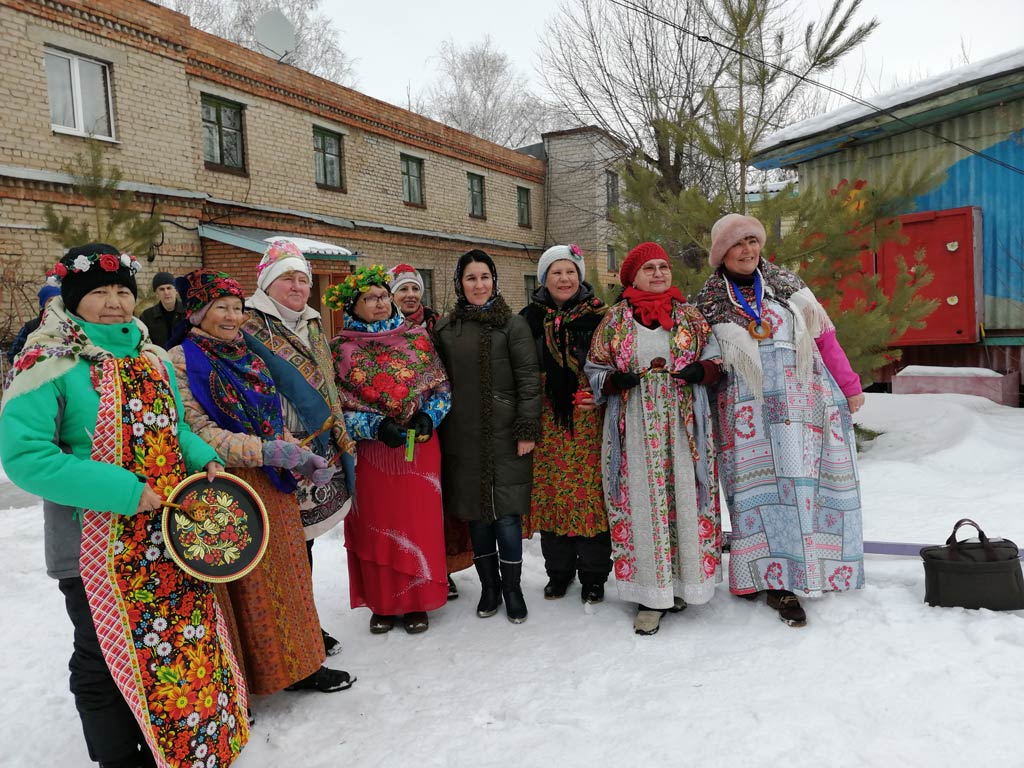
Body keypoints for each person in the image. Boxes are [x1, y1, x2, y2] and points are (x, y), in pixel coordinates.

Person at [0, 244, 248, 768]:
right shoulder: (46, 361)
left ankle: (177, 748)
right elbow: (27, 458)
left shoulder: (147, 352)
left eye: (121, 292)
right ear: (72, 299)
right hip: (94, 549)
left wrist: (204, 460)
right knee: (102, 660)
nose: (114, 304)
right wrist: (125, 491)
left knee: (167, 652)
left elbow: (174, 426)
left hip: (166, 537)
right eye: (98, 293)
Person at [169, 268, 354, 693]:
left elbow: (270, 417)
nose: (233, 317)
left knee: (290, 577)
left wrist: (298, 453)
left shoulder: (248, 355)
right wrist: (268, 451)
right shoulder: (180, 359)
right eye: (222, 308)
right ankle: (251, 678)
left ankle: (303, 663)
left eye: (237, 307)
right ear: (198, 312)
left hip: (274, 483)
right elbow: (196, 429)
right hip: (227, 487)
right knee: (248, 589)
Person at [695, 213, 865, 627]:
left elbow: (825, 338)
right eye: (739, 244)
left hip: (799, 408)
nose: (748, 251)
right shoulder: (707, 302)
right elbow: (700, 360)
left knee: (801, 490)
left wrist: (851, 385)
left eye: (753, 242)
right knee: (754, 498)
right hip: (743, 418)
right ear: (722, 253)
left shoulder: (789, 288)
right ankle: (762, 576)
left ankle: (803, 573)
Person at [586, 242, 723, 636]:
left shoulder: (690, 317)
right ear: (633, 276)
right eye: (649, 268)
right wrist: (613, 381)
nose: (659, 273)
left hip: (683, 427)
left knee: (683, 497)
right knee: (644, 504)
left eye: (664, 266)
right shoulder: (614, 320)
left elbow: (717, 359)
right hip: (634, 426)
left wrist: (703, 371)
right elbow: (594, 366)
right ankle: (651, 594)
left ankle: (683, 583)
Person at [242, 240, 356, 656]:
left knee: (302, 548)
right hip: (275, 452)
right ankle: (287, 640)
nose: (296, 285)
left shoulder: (310, 322)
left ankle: (306, 625)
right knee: (280, 552)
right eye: (287, 277)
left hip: (314, 450)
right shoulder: (248, 323)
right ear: (268, 283)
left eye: (302, 279)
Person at [326, 265, 451, 634]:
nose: (380, 303)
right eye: (370, 298)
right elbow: (335, 410)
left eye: (383, 296)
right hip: (372, 454)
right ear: (354, 305)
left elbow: (441, 389)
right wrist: (374, 426)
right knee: (377, 525)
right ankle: (382, 603)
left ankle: (417, 602)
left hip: (419, 448)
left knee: (417, 524)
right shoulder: (339, 350)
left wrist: (430, 416)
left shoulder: (418, 339)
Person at [433, 249, 541, 624]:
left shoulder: (513, 325)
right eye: (470, 278)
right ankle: (489, 588)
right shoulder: (447, 330)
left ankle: (512, 588)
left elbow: (529, 381)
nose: (479, 285)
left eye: (484, 277)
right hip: (462, 437)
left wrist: (527, 429)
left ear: (494, 280)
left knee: (507, 517)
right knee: (478, 517)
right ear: (459, 284)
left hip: (508, 433)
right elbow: (437, 384)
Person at [521, 244, 612, 604]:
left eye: (570, 271)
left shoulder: (602, 317)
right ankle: (558, 572)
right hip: (547, 420)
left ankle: (593, 575)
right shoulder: (528, 319)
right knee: (552, 493)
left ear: (580, 276)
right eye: (556, 272)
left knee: (590, 495)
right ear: (545, 278)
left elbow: (616, 364)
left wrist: (599, 393)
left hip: (590, 419)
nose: (564, 278)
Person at [388, 261, 472, 601]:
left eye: (414, 289)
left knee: (445, 499)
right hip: (400, 429)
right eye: (403, 289)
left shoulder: (440, 325)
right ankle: (410, 567)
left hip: (443, 420)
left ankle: (445, 568)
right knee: (414, 503)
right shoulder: (385, 330)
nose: (410, 295)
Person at [6, 282, 60, 364]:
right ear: (43, 304)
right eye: (50, 300)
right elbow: (13, 354)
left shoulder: (69, 326)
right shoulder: (31, 327)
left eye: (57, 300)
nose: (54, 304)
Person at [139, 271, 185, 349]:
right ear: (156, 293)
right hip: (159, 358)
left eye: (169, 288)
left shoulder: (188, 312)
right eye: (161, 289)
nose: (166, 292)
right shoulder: (147, 316)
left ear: (176, 290)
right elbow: (143, 342)